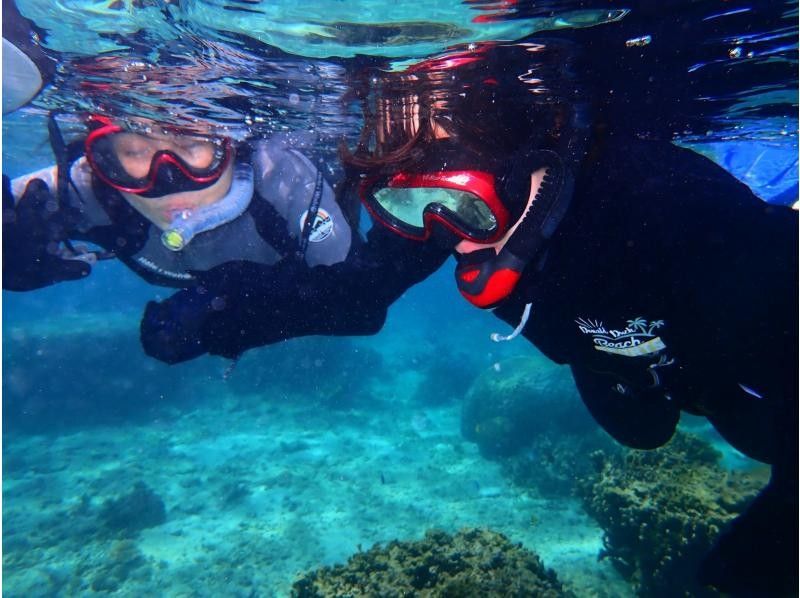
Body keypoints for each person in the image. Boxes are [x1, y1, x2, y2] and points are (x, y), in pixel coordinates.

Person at [144, 40, 797, 595]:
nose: (446, 235)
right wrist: (222, 315)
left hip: (738, 366)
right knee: (642, 428)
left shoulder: (668, 208)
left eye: (459, 206)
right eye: (406, 206)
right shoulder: (449, 204)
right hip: (625, 365)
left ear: (527, 174)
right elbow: (357, 297)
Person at [2, 113, 436, 363]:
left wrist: (223, 318)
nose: (167, 179)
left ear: (231, 145)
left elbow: (358, 309)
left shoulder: (278, 179)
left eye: (192, 145)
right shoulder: (89, 189)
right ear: (104, 162)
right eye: (134, 152)